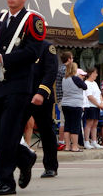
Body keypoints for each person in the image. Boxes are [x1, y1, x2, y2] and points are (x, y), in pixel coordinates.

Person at [0, 0, 45, 196]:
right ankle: (24, 156)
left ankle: (5, 181)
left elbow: (32, 52)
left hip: (18, 84)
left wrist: (4, 58)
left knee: (9, 132)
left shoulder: (33, 21)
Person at [26, 40, 59, 177]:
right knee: (10, 129)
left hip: (41, 96)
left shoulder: (47, 47)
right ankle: (4, 163)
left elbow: (51, 72)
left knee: (46, 132)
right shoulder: (23, 46)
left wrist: (41, 92)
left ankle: (50, 166)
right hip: (22, 94)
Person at [61, 62, 87, 152]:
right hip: (75, 104)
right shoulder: (76, 78)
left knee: (67, 125)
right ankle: (75, 146)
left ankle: (67, 146)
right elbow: (85, 86)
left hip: (65, 103)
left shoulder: (64, 79)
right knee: (75, 125)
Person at [83, 67, 103, 150]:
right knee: (89, 124)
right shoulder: (86, 83)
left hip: (97, 106)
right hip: (90, 106)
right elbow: (90, 96)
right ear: (91, 73)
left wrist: (101, 103)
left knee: (95, 124)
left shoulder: (95, 83)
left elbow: (99, 94)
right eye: (95, 73)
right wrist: (99, 105)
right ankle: (86, 141)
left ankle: (94, 141)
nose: (96, 75)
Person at [56, 51, 73, 151]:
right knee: (65, 121)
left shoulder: (61, 69)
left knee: (64, 121)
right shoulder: (65, 70)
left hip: (61, 98)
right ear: (69, 59)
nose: (73, 60)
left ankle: (64, 141)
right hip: (65, 98)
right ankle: (63, 142)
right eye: (72, 58)